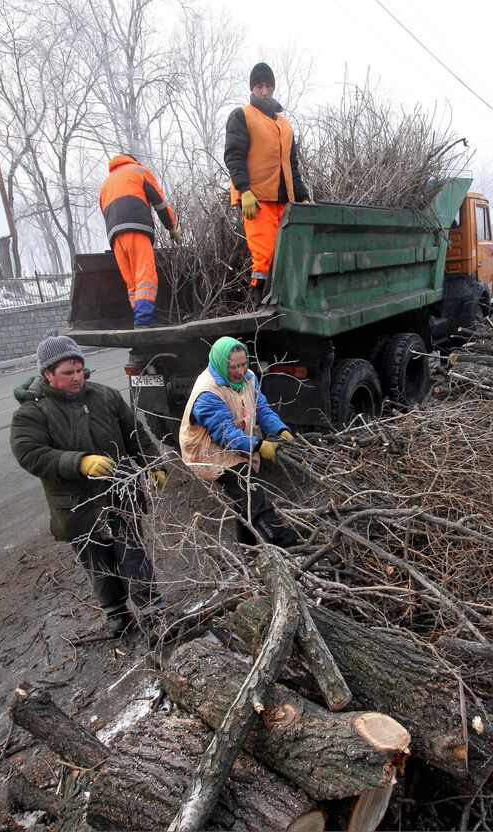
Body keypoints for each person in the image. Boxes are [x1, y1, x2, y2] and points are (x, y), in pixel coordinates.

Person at [10, 330, 168, 638]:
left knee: (133, 554)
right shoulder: (32, 412)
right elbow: (31, 454)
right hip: (77, 505)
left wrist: (153, 464)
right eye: (68, 372)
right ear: (47, 373)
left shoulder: (105, 396)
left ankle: (153, 612)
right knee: (98, 562)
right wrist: (79, 462)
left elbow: (135, 434)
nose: (77, 377)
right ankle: (118, 615)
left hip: (120, 494)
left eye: (80, 370)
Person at [179, 336, 298, 547]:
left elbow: (261, 408)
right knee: (251, 490)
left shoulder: (249, 378)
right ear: (222, 364)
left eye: (244, 364)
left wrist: (280, 430)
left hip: (236, 440)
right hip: (208, 451)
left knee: (243, 500)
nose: (241, 370)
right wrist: (259, 445)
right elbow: (224, 433)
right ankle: (281, 541)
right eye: (234, 366)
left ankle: (248, 548)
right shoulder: (207, 392)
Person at [224, 62, 311, 307]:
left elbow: (291, 165)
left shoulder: (285, 125)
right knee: (265, 259)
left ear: (273, 88)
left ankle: (285, 309)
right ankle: (262, 313)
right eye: (259, 86)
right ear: (253, 88)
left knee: (288, 258)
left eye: (268, 86)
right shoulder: (242, 115)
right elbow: (233, 155)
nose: (264, 91)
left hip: (285, 202)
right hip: (257, 200)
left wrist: (302, 195)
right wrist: (244, 190)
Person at [99, 153, 180, 328]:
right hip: (136, 227)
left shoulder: (106, 183)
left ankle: (139, 320)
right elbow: (159, 203)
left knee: (132, 282)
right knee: (145, 277)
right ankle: (144, 320)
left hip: (115, 235)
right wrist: (171, 227)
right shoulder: (138, 170)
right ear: (134, 160)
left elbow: (104, 212)